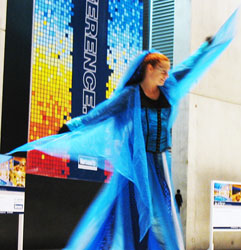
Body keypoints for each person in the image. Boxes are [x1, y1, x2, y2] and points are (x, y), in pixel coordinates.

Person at [8, 9, 237, 250]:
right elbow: (101, 112)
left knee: (164, 217)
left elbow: (189, 68)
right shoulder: (130, 96)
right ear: (149, 69)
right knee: (126, 214)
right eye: (162, 70)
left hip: (160, 164)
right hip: (136, 164)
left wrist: (206, 48)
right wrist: (71, 125)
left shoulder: (168, 89)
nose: (166, 75)